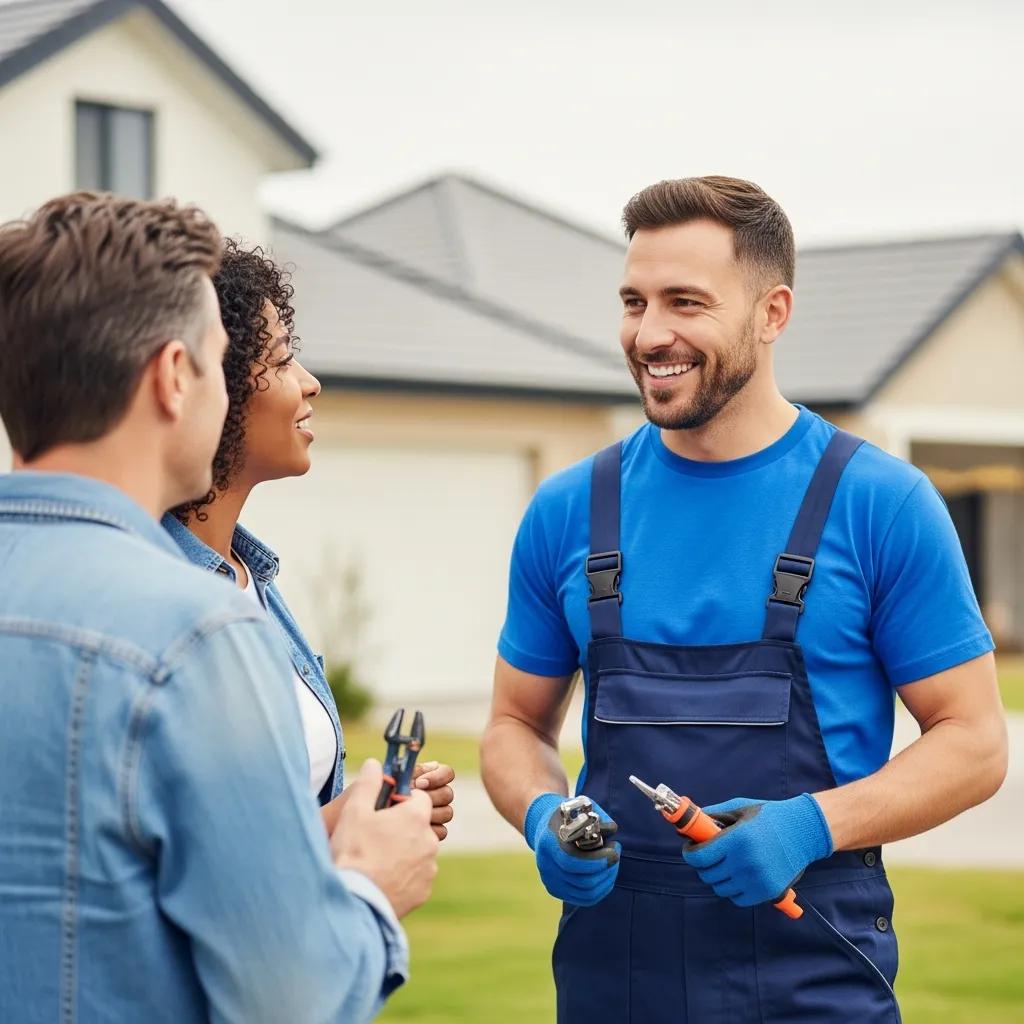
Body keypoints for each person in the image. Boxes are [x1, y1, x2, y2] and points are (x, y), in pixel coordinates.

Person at [480, 176, 1008, 1023]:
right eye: (633, 302)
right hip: (611, 984)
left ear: (773, 313)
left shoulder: (882, 505)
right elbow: (513, 726)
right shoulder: (568, 509)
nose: (651, 334)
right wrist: (545, 815)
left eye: (685, 302)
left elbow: (976, 742)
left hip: (812, 979)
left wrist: (813, 825)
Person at [0, 192, 438, 1024]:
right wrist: (369, 887)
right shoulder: (191, 629)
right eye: (215, 359)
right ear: (174, 377)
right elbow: (294, 995)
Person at [162, 239, 456, 836]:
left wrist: (368, 810)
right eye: (279, 360)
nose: (309, 382)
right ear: (204, 384)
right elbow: (203, 850)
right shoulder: (162, 594)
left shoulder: (252, 576)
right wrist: (340, 825)